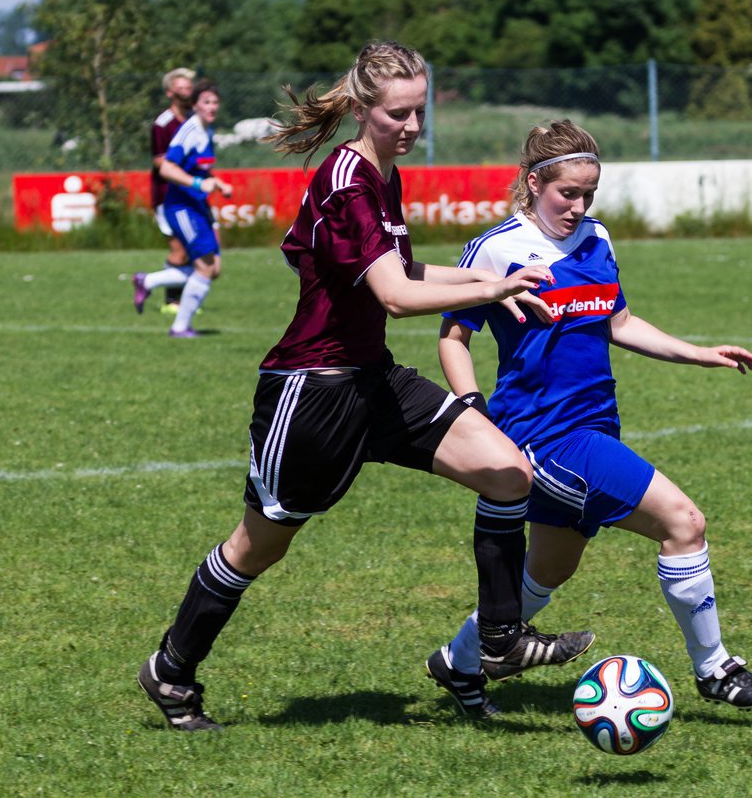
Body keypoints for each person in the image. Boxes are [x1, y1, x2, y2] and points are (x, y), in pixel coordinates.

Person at [137, 43, 593, 731]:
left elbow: (410, 268)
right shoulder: (346, 181)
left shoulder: (385, 176)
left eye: (418, 112)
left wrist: (498, 282)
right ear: (362, 108)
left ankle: (499, 639)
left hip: (371, 378)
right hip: (312, 388)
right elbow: (396, 295)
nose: (411, 126)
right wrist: (493, 285)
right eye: (398, 114)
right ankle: (171, 670)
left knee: (506, 471)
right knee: (261, 543)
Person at [426, 120, 752, 716]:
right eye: (568, 193)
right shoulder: (498, 248)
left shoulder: (598, 240)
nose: (579, 205)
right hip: (545, 435)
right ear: (534, 182)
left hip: (596, 423)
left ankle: (459, 662)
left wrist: (697, 353)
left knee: (548, 572)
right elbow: (454, 337)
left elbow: (616, 323)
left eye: (589, 193)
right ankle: (716, 669)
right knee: (683, 522)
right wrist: (471, 411)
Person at [132, 80, 233, 337]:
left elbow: (199, 168)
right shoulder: (190, 130)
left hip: (197, 204)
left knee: (214, 269)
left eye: (214, 102)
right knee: (204, 267)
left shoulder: (206, 130)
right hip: (180, 207)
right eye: (206, 102)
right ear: (195, 105)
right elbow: (166, 168)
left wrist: (216, 182)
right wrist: (199, 183)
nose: (211, 107)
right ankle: (180, 327)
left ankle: (149, 281)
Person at [148, 67, 195, 315]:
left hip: (188, 194)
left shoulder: (193, 121)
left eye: (189, 87)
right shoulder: (163, 123)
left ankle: (181, 300)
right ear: (170, 92)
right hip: (167, 196)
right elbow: (159, 161)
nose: (187, 92)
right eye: (181, 88)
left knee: (192, 248)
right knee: (180, 250)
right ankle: (171, 301)